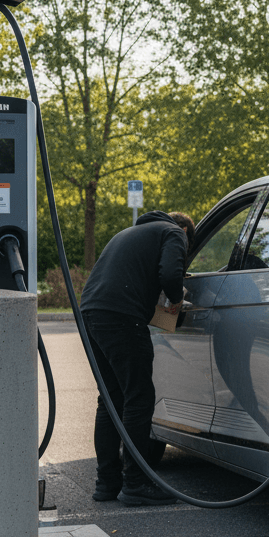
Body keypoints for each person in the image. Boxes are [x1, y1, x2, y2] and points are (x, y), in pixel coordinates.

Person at [79, 209, 195, 506]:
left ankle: (106, 483)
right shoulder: (173, 233)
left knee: (110, 398)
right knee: (139, 397)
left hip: (91, 312)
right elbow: (170, 274)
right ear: (184, 230)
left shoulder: (129, 233)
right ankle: (136, 483)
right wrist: (177, 298)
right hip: (122, 315)